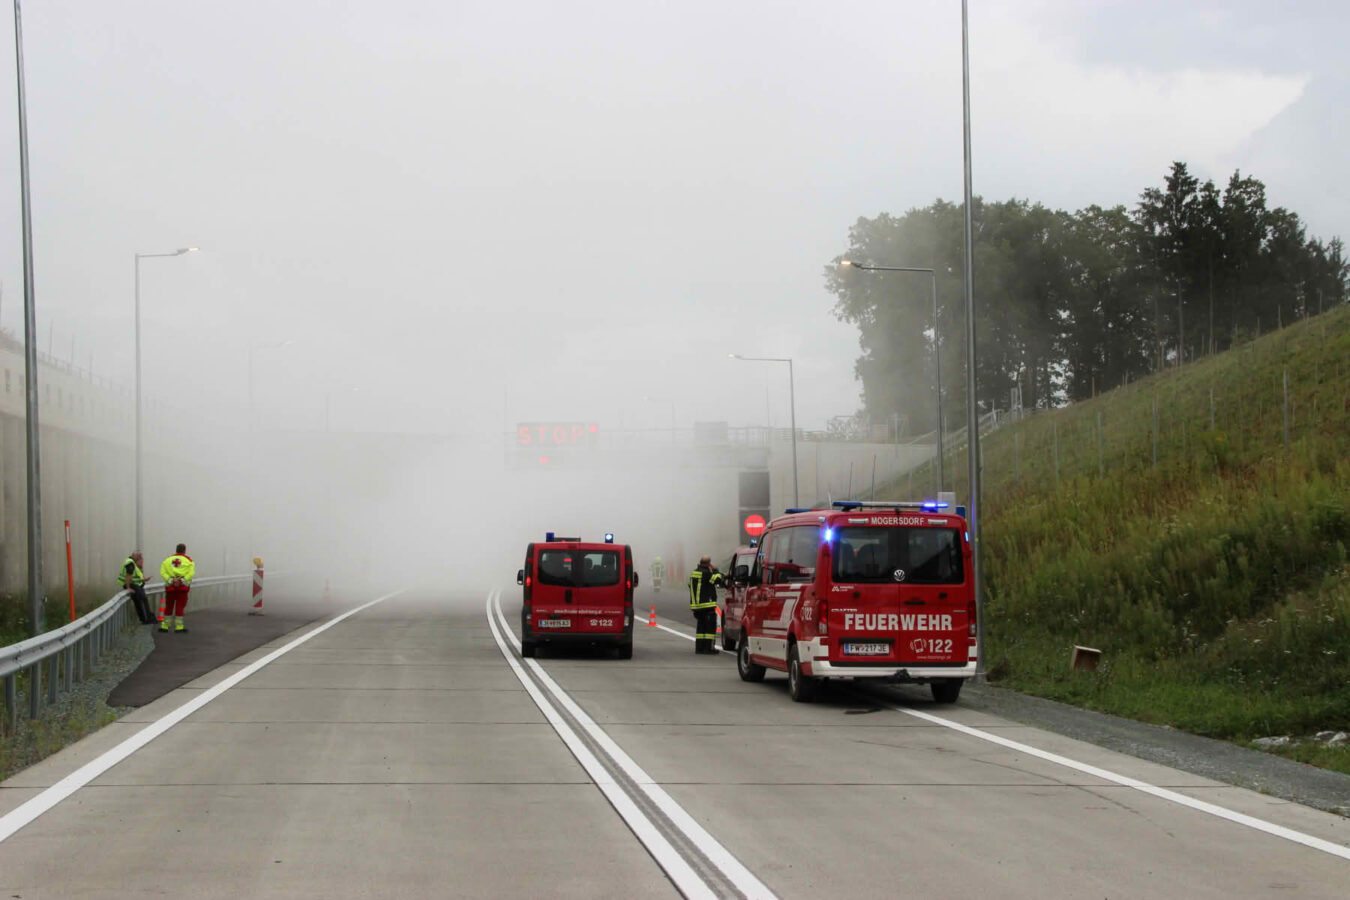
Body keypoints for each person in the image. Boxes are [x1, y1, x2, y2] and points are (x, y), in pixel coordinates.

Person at [687, 556, 723, 654]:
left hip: (697, 607)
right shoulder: (707, 573)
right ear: (708, 563)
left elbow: (690, 585)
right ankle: (709, 648)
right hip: (707, 605)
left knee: (701, 628)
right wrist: (715, 570)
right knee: (710, 629)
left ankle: (699, 648)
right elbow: (718, 580)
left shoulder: (694, 573)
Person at [159, 543, 195, 633]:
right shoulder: (189, 561)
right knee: (180, 607)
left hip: (170, 588)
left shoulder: (167, 560)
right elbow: (191, 573)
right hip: (182, 589)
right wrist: (181, 581)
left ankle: (165, 626)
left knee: (168, 607)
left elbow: (163, 572)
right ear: (184, 550)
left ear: (176, 550)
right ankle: (179, 627)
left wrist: (171, 581)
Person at [120, 551, 154, 624]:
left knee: (139, 601)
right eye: (139, 556)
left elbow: (135, 575)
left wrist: (144, 579)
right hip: (131, 584)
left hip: (133, 584)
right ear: (134, 556)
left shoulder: (131, 562)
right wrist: (128, 587)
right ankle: (147, 618)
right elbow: (128, 575)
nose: (140, 558)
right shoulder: (130, 563)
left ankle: (145, 618)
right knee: (143, 599)